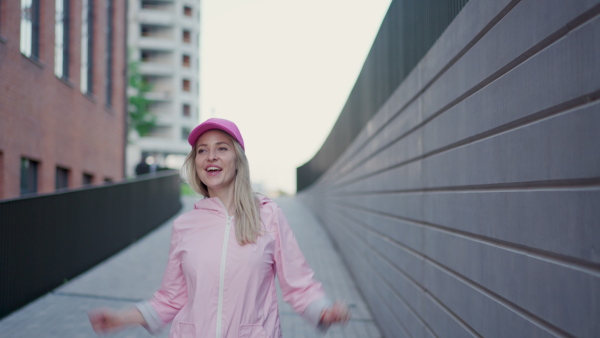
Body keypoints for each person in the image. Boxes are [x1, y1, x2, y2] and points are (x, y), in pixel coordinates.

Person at [89, 118, 350, 337]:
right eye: (202, 150)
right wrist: (121, 318)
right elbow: (170, 298)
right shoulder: (185, 225)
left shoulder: (268, 215)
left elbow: (299, 284)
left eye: (222, 148)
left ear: (238, 159)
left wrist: (324, 310)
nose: (211, 156)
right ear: (196, 163)